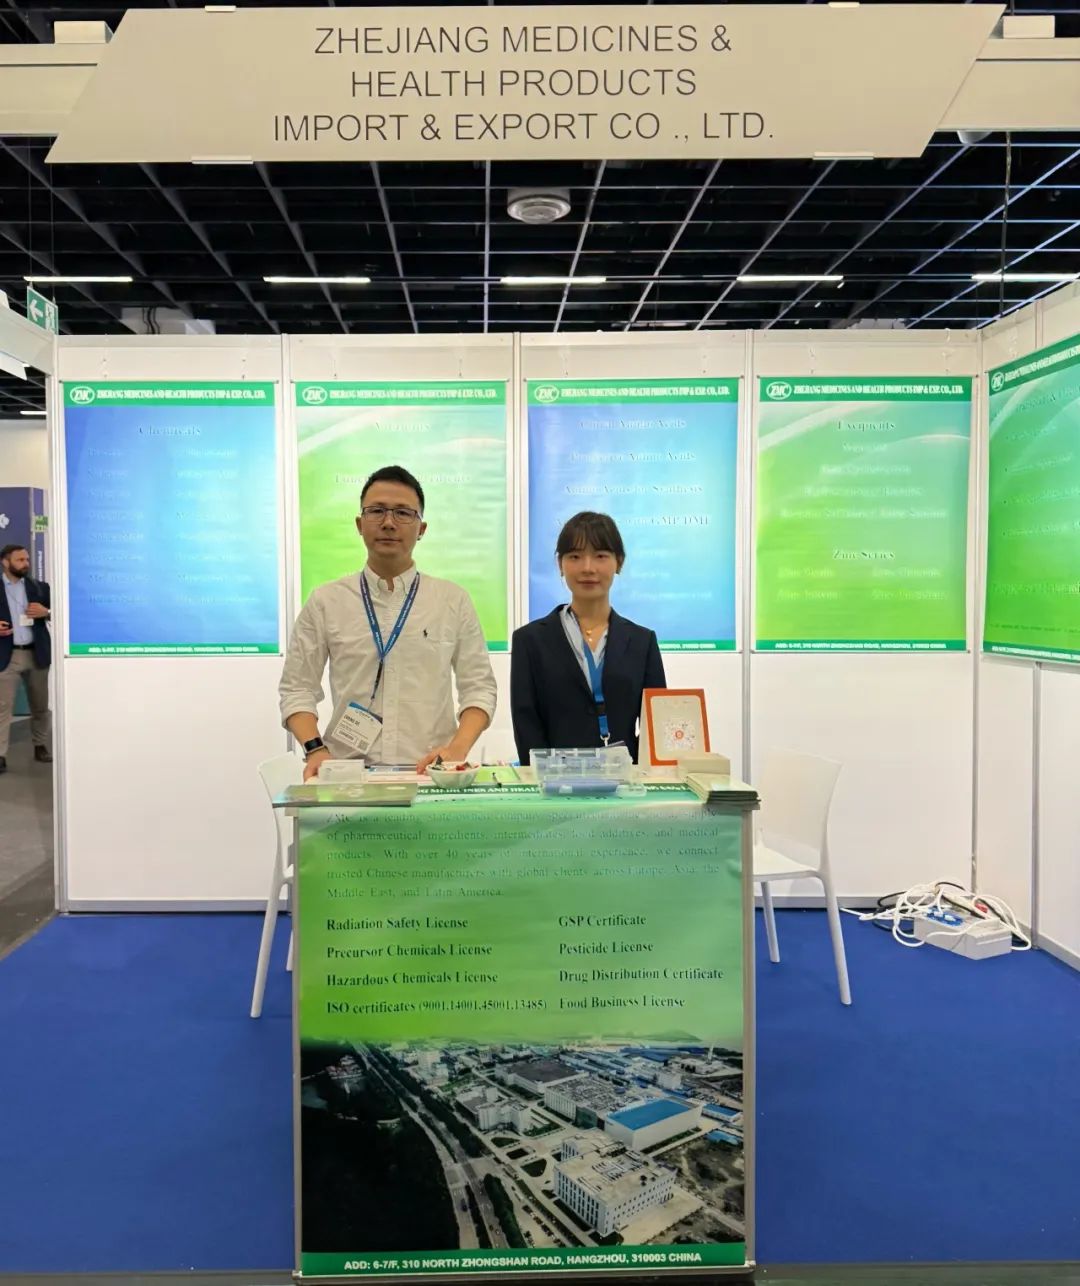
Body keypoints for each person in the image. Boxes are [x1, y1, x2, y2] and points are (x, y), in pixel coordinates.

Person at [279, 465, 497, 780]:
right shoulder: (326, 601)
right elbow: (297, 687)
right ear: (359, 524)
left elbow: (479, 688)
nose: (389, 522)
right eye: (377, 511)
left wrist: (456, 750)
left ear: (422, 529)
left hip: (430, 775)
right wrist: (315, 750)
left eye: (403, 513)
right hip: (348, 776)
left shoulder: (452, 601)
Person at [510, 511, 665, 765]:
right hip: (554, 783)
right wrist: (542, 779)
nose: (588, 568)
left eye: (600, 556)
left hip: (625, 783)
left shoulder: (642, 642)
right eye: (575, 556)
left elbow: (655, 727)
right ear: (560, 564)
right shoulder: (530, 641)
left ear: (619, 562)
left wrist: (637, 771)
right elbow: (526, 725)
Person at [0, 544, 53, 774]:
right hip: (7, 655)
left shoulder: (40, 588)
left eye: (27, 560)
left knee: (40, 706)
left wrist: (47, 612)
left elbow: (63, 613)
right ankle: (0, 755)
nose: (26, 564)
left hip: (36, 653)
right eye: (20, 560)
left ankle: (40, 745)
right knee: (2, 708)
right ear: (5, 562)